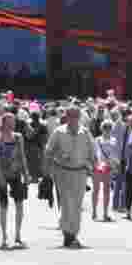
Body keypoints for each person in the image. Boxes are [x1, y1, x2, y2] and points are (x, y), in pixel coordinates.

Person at [44, 106, 94, 248]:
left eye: (76, 116)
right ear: (66, 117)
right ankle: (68, 235)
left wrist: (92, 166)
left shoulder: (85, 132)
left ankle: (73, 233)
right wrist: (57, 158)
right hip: (63, 172)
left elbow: (92, 151)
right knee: (67, 203)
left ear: (79, 117)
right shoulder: (58, 132)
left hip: (80, 172)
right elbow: (48, 151)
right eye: (70, 116)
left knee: (77, 205)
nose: (73, 118)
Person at [0, 111, 30, 249]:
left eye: (13, 121)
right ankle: (4, 237)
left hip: (15, 174)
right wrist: (0, 176)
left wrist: (26, 173)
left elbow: (22, 156)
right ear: (4, 123)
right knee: (3, 206)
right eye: (10, 122)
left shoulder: (18, 137)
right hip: (1, 175)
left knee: (19, 204)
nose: (12, 124)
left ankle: (18, 235)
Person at [92, 120, 118, 222]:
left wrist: (114, 165)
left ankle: (105, 213)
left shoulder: (113, 140)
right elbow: (94, 154)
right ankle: (94, 212)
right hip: (99, 166)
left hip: (107, 167)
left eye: (109, 128)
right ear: (102, 129)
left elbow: (115, 155)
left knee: (106, 190)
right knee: (96, 190)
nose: (107, 130)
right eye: (105, 127)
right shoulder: (97, 140)